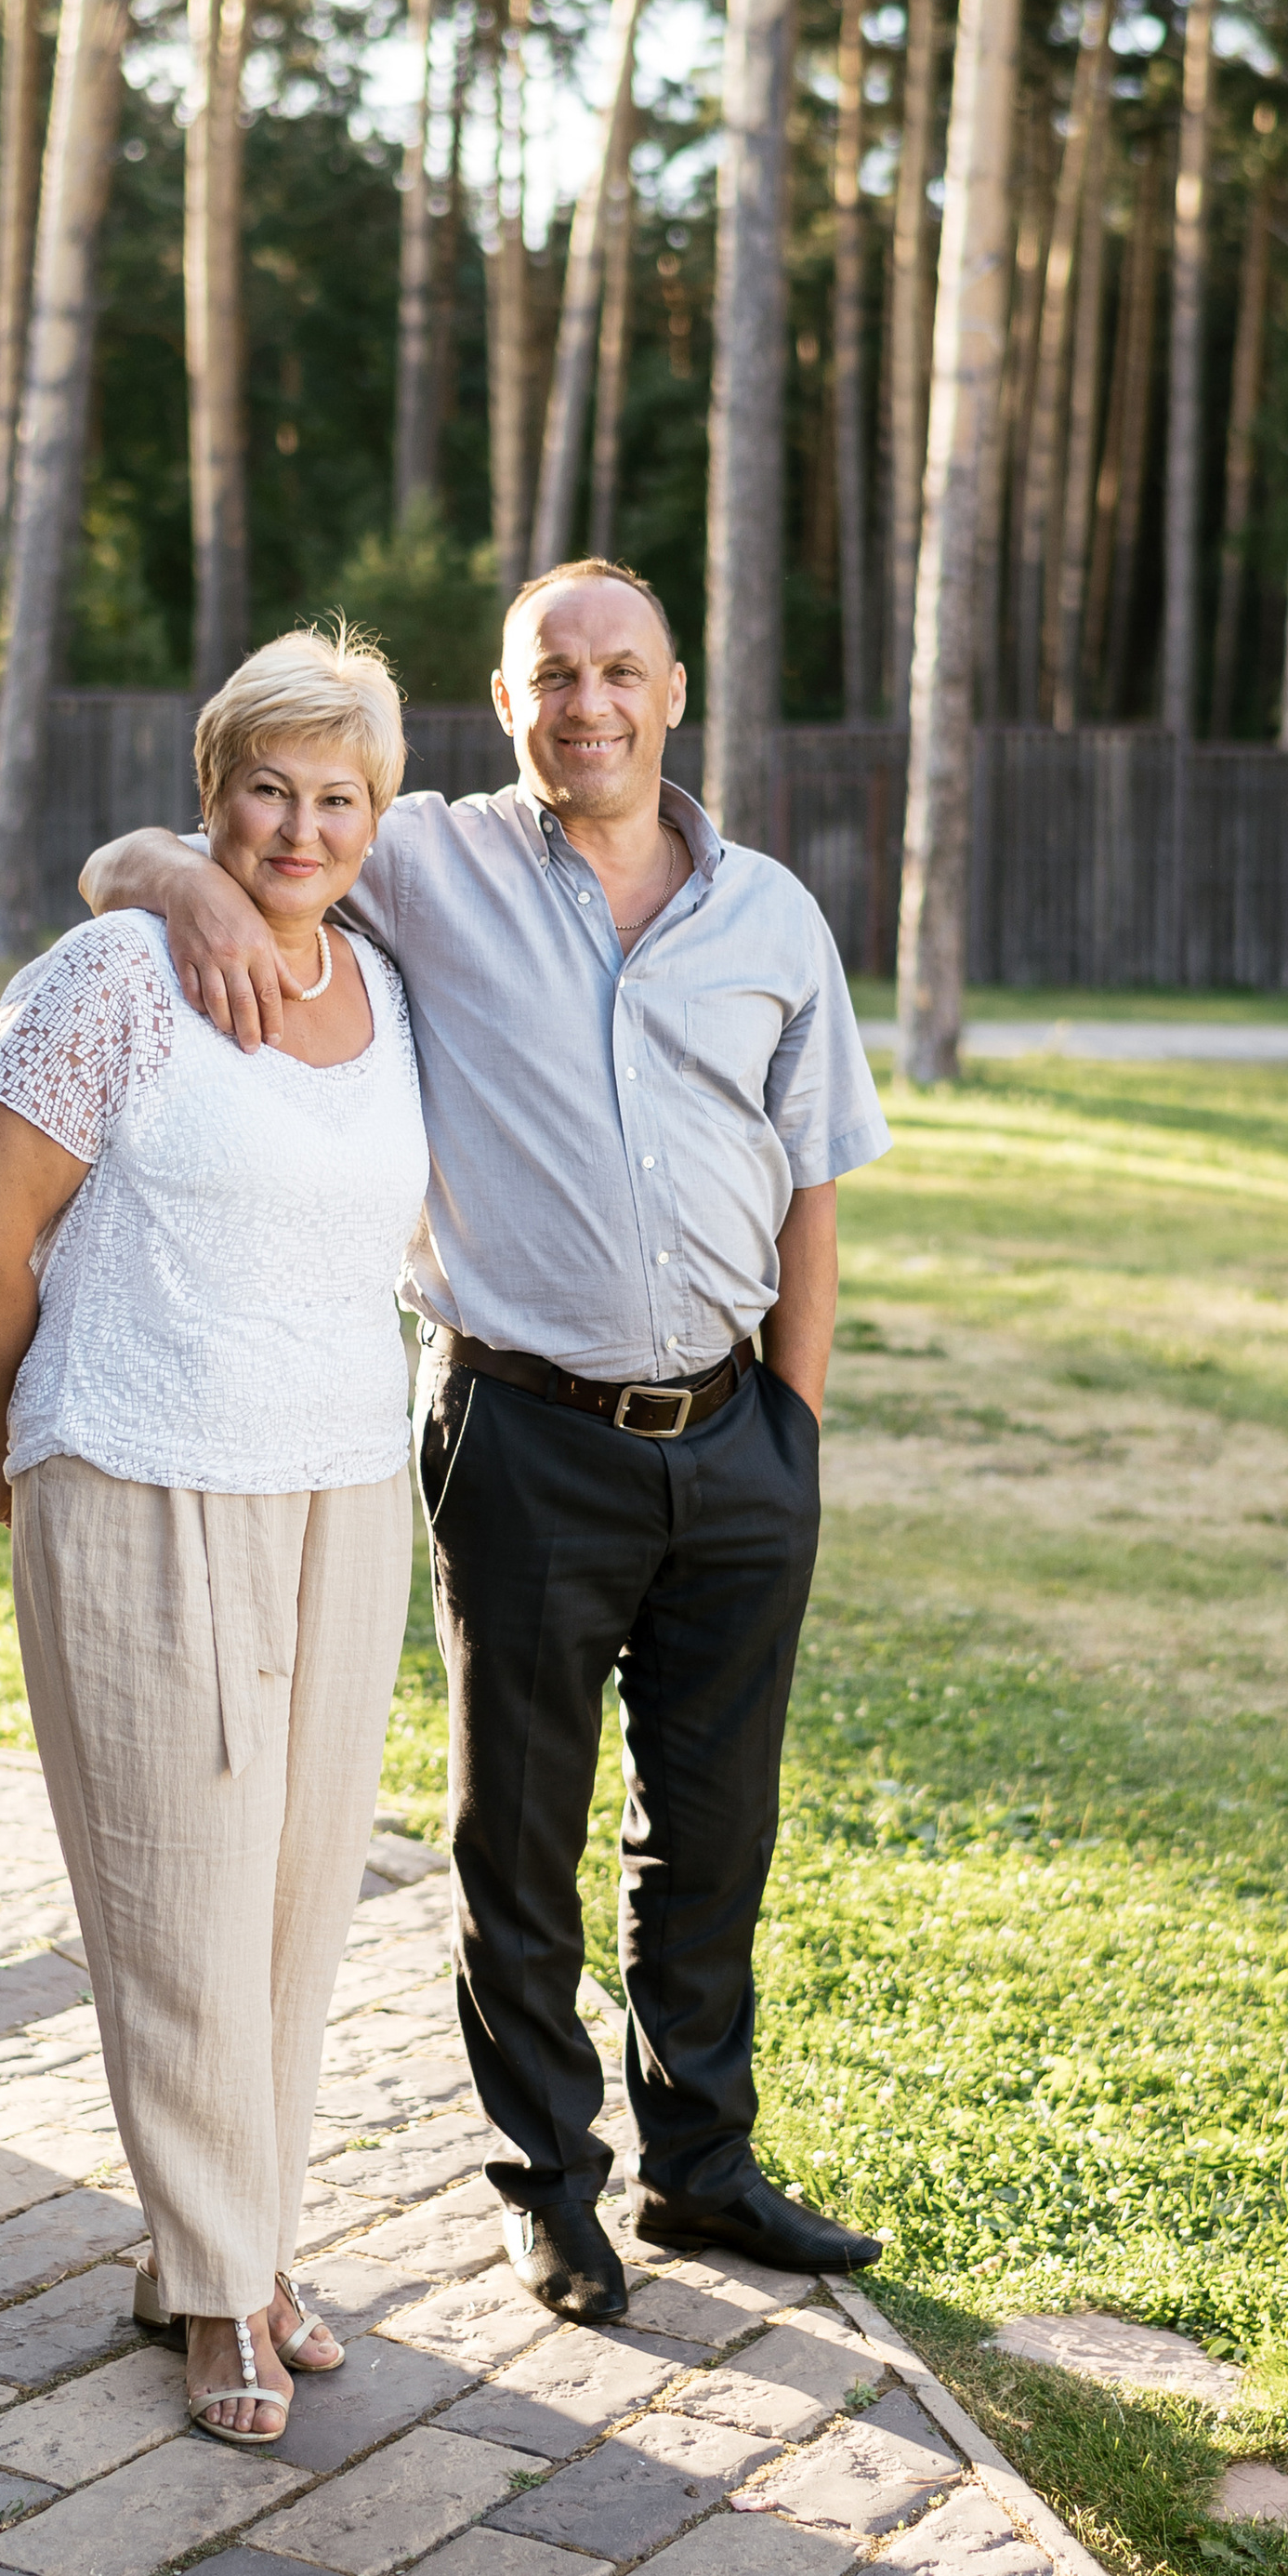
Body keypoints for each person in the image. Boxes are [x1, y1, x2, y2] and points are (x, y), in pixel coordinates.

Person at [81, 556, 890, 2327]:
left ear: (675, 692)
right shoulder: (426, 860)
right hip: (525, 1435)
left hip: (739, 1439)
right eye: (551, 675)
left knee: (716, 1826)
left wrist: (796, 1427)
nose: (586, 704)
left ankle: (705, 2167)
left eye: (619, 671)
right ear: (505, 698)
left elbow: (816, 1173)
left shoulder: (772, 918)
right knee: (514, 1833)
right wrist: (165, 877)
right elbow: (194, 846)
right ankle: (552, 2186)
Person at [0, 628, 427, 2444]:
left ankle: (226, 2242)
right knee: (178, 1909)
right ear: (205, 793)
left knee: (290, 1911)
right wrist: (25, 1442)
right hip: (140, 1481)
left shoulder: (382, 975)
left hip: (345, 1490)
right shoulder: (117, 971)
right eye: (262, 790)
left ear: (375, 814)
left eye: (336, 795)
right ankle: (221, 2290)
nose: (299, 827)